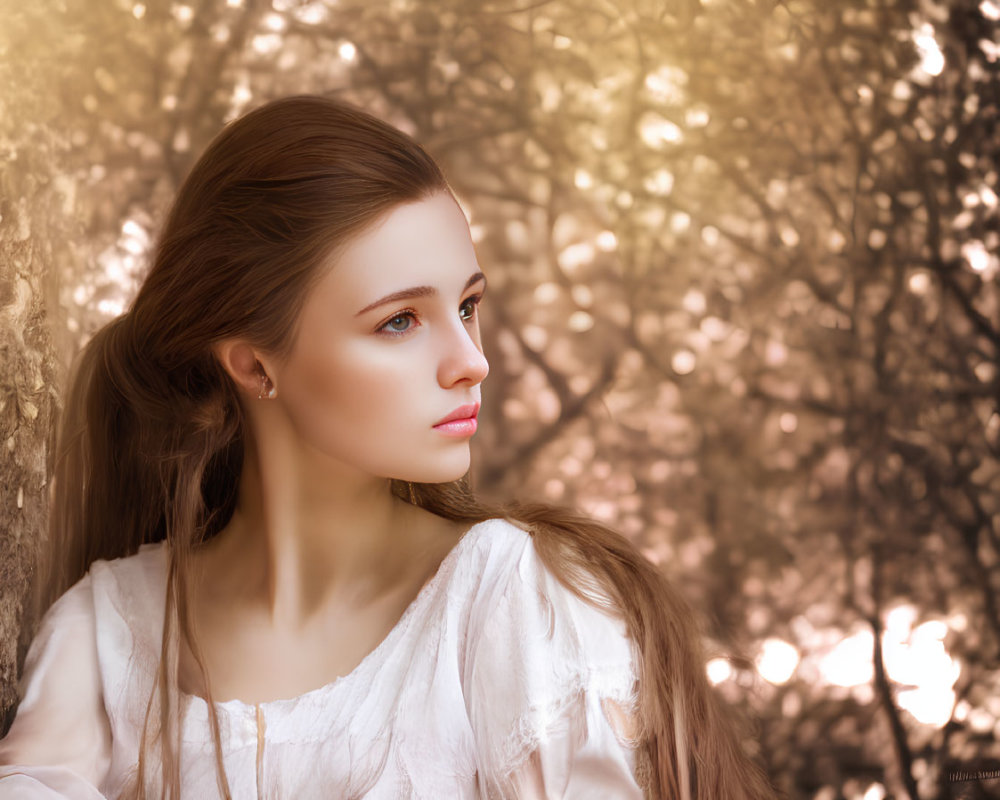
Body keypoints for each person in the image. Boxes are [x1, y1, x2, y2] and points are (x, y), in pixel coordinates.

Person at [0, 95, 776, 800]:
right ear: (254, 365)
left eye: (467, 306)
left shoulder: (512, 605)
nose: (471, 360)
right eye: (399, 321)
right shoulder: (105, 638)